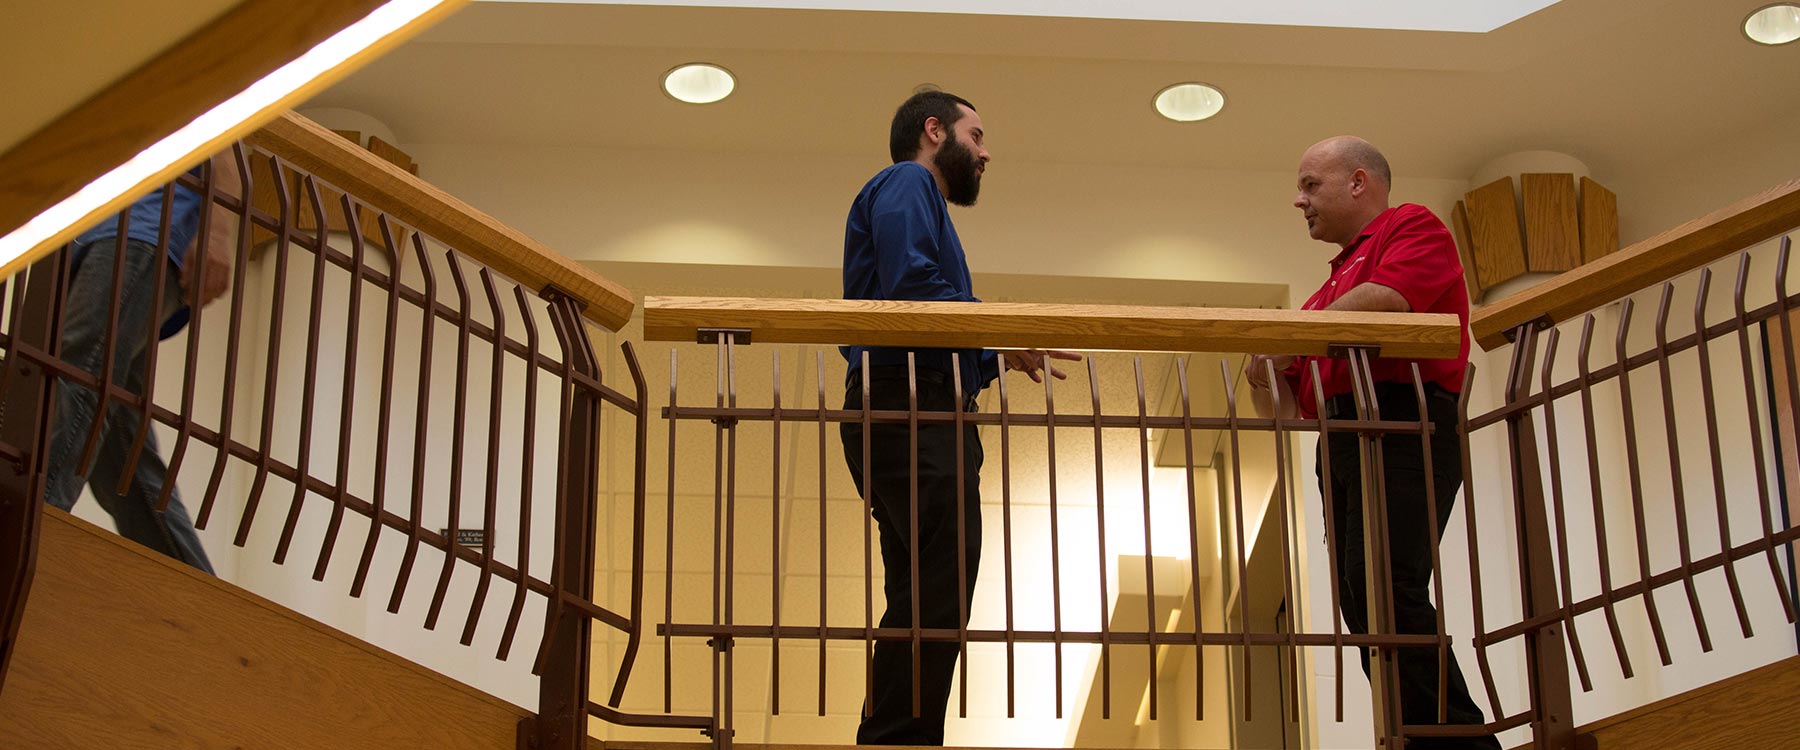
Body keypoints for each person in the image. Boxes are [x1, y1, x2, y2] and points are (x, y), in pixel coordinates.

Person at [839, 90, 1077, 745]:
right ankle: (898, 736)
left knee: (925, 582)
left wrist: (994, 350)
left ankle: (894, 732)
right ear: (935, 129)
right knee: (940, 577)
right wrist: (992, 334)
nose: (986, 150)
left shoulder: (915, 195)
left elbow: (925, 309)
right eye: (977, 135)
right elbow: (912, 287)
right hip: (908, 405)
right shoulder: (909, 179)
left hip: (913, 402)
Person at [1246, 136, 1497, 749]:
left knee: (1389, 584)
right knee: (1362, 599)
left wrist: (1287, 338)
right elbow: (1287, 409)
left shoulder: (1412, 226)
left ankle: (1457, 741)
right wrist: (1264, 361)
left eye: (1310, 184)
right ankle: (1419, 734)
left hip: (1402, 422)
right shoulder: (1325, 293)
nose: (1297, 199)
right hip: (1343, 437)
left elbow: (1389, 303)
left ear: (1359, 183)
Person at [44, 151, 239, 574]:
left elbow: (226, 149)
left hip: (141, 231)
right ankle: (192, 590)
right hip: (97, 238)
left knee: (79, 370)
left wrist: (218, 233)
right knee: (121, 448)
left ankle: (35, 512)